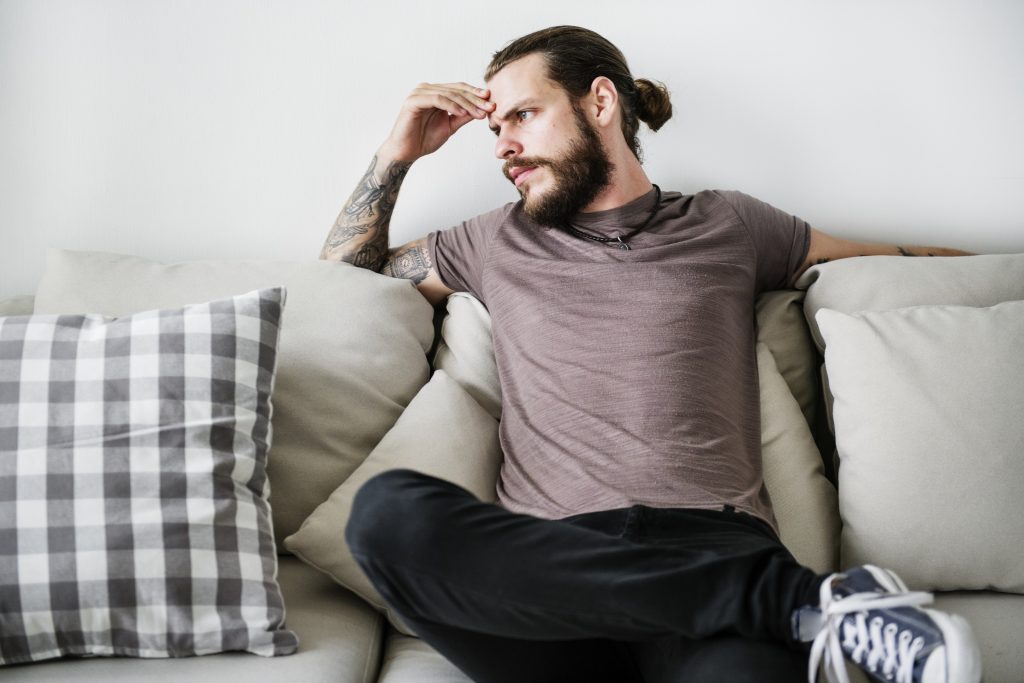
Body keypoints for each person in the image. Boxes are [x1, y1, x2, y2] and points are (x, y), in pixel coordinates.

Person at [322, 25, 981, 683]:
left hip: (712, 544)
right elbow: (340, 285)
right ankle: (797, 601)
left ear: (600, 103)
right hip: (555, 577)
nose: (504, 147)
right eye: (495, 130)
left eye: (522, 115)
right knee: (388, 515)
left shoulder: (732, 223)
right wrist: (396, 154)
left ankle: (770, 598)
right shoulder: (492, 240)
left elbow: (906, 265)